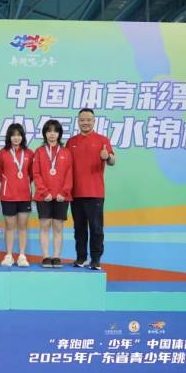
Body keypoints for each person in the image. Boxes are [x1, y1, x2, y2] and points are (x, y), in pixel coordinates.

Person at [66, 108, 115, 271]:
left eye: (88, 120)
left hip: (95, 192)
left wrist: (107, 157)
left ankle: (95, 259)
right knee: (79, 228)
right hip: (75, 193)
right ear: (78, 121)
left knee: (96, 228)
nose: (85, 122)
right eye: (82, 120)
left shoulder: (102, 140)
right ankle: (81, 257)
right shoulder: (71, 142)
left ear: (94, 121)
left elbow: (112, 161)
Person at [32, 119, 73, 268]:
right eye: (49, 131)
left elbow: (69, 174)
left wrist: (64, 192)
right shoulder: (39, 152)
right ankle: (45, 256)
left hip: (62, 197)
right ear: (45, 133)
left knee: (58, 227)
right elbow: (36, 174)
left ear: (59, 134)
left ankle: (56, 256)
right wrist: (44, 192)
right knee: (44, 226)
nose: (52, 134)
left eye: (55, 131)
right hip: (44, 196)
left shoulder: (66, 152)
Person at [0, 123, 34, 267]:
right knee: (9, 226)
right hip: (8, 195)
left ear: (22, 137)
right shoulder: (2, 153)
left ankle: (22, 255)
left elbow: (31, 174)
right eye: (13, 135)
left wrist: (23, 182)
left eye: (19, 135)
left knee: (23, 225)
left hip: (24, 195)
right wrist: (8, 182)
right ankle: (9, 255)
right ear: (9, 137)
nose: (16, 138)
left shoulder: (29, 153)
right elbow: (0, 172)